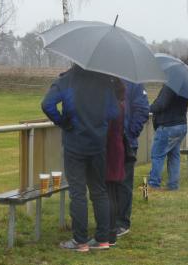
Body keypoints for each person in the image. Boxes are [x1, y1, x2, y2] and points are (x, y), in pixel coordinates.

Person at [41, 65, 118, 252]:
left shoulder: (67, 80)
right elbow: (114, 112)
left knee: (78, 193)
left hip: (75, 143)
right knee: (99, 191)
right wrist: (98, 124)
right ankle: (103, 239)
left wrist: (62, 121)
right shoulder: (105, 82)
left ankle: (80, 241)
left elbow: (47, 104)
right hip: (98, 144)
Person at [115, 81, 149, 238]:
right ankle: (108, 220)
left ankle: (122, 223)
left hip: (126, 141)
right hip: (107, 141)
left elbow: (142, 109)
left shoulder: (134, 82)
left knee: (124, 183)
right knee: (107, 182)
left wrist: (131, 133)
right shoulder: (104, 76)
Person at [148, 85, 188, 190]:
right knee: (174, 155)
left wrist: (147, 108)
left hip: (168, 126)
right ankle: (173, 185)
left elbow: (161, 104)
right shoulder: (184, 87)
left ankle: (153, 184)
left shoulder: (170, 86)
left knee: (157, 155)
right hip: (181, 125)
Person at [105, 80, 126, 247]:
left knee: (107, 192)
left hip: (109, 150)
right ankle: (111, 230)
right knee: (111, 192)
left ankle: (108, 232)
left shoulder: (113, 108)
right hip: (116, 149)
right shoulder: (120, 105)